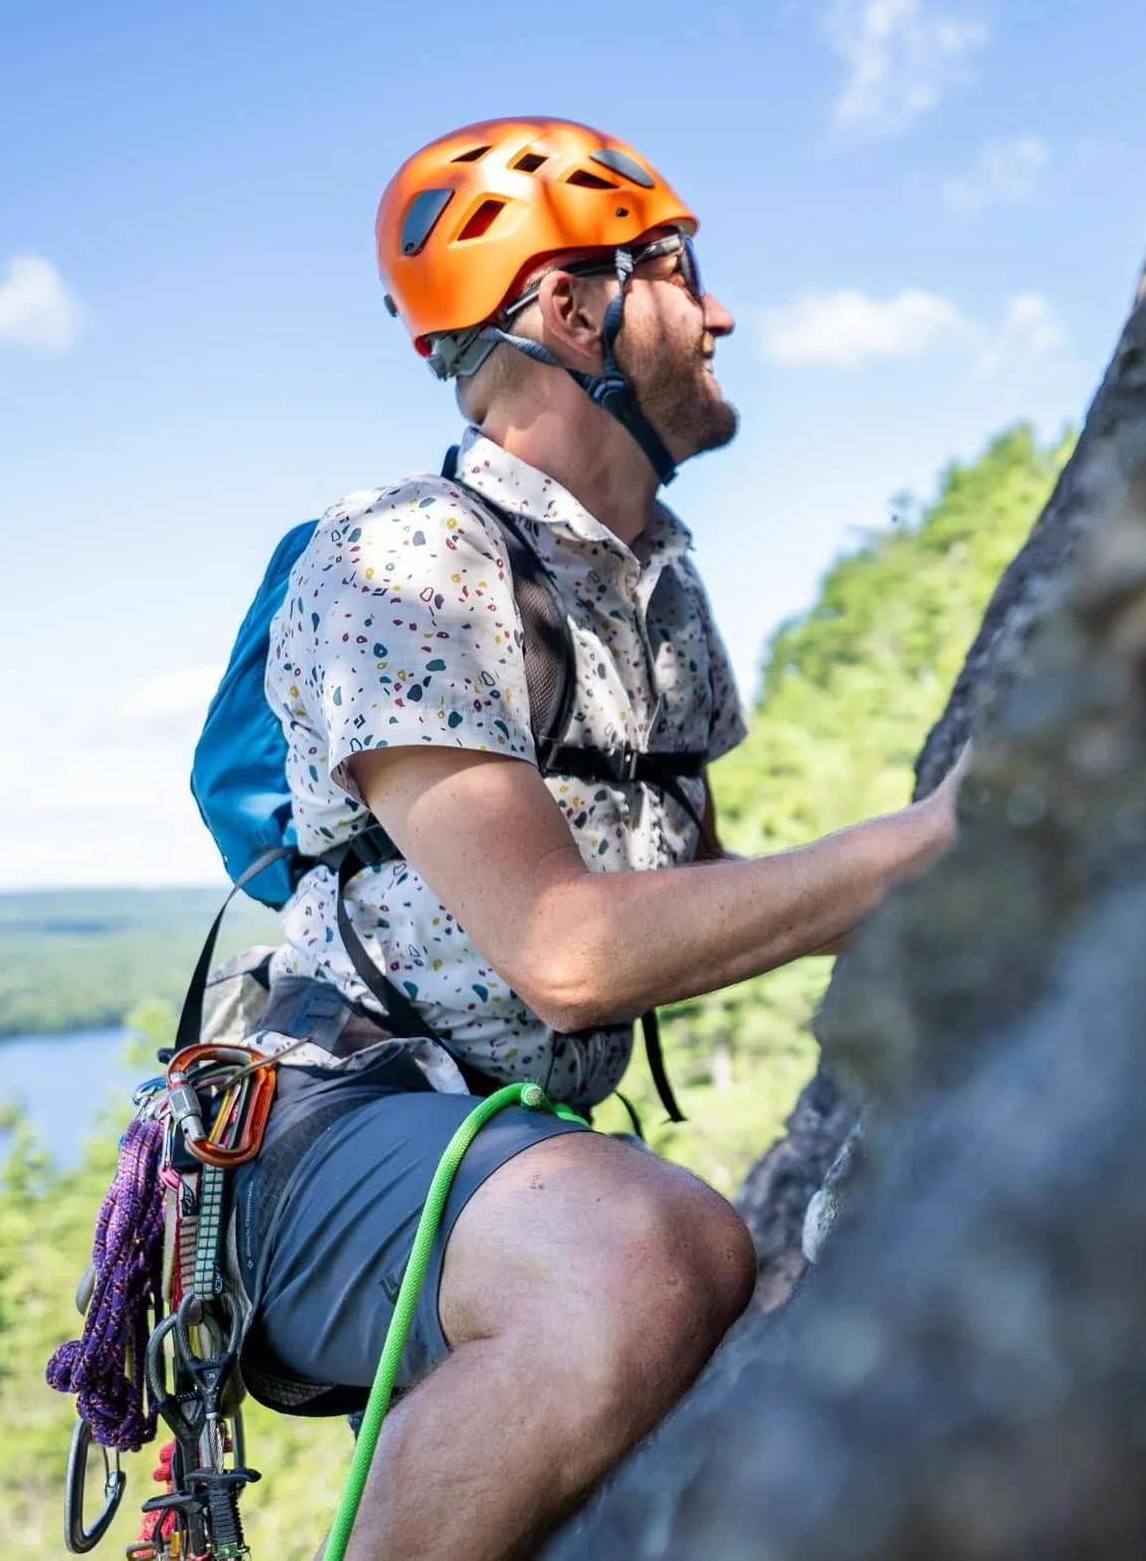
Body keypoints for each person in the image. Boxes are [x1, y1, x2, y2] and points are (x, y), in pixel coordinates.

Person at [235, 118, 963, 1561]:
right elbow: (569, 954)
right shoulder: (404, 557)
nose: (723, 310)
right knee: (649, 1256)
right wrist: (935, 842)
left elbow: (696, 909)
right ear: (571, 309)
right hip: (320, 1130)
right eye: (681, 269)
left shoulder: (662, 594)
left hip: (509, 1136)